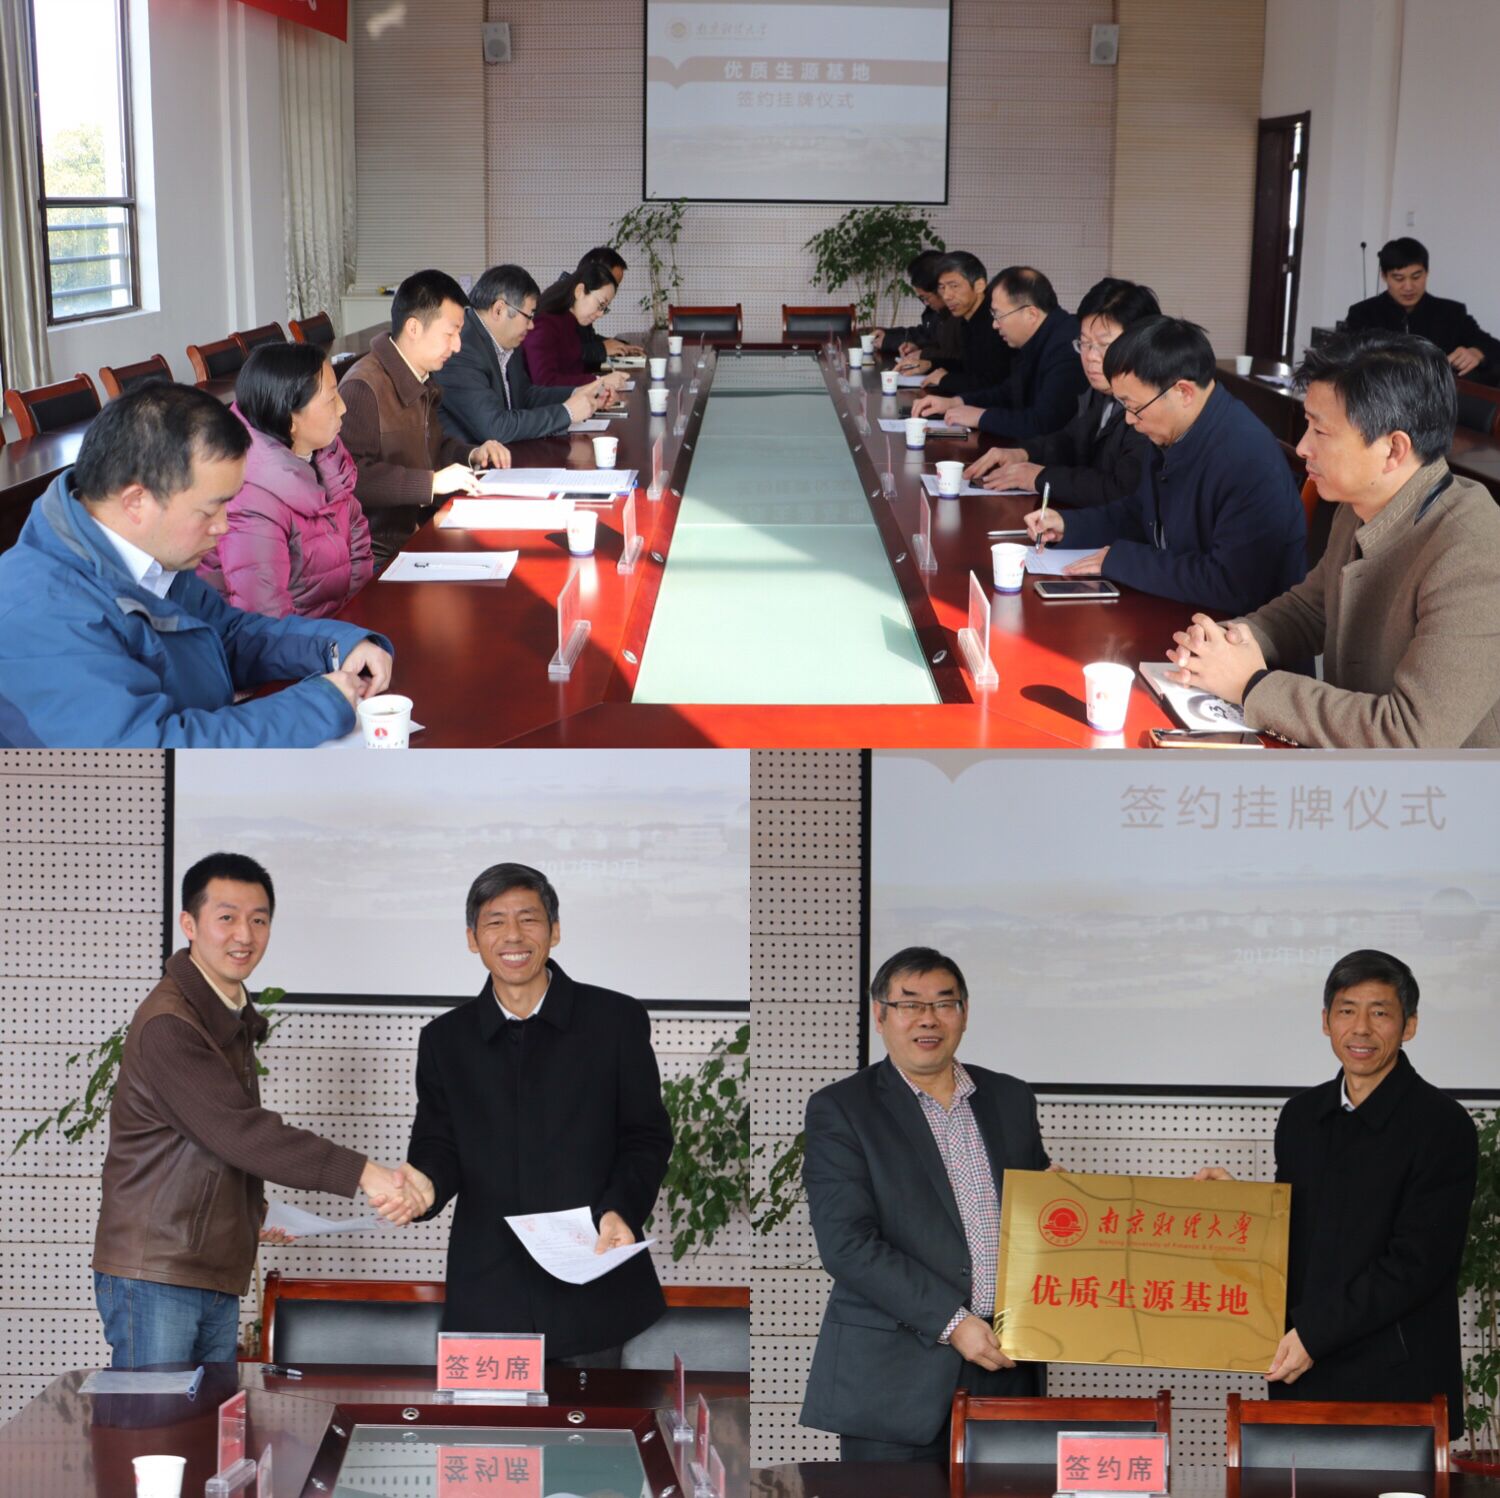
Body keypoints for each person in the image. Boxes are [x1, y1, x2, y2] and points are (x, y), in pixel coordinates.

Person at [92, 852, 433, 1368]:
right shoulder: (172, 1023)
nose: (244, 935)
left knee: (205, 1417)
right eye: (226, 917)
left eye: (258, 920)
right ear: (189, 924)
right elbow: (240, 1132)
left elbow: (206, 1143)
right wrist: (367, 1173)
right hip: (159, 1272)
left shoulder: (225, 1014)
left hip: (201, 1268)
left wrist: (251, 1211)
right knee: (157, 1418)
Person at [0, 383, 394, 748]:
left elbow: (229, 635)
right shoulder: (43, 612)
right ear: (136, 502)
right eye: (210, 510)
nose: (224, 525)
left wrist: (335, 645)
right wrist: (316, 705)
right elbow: (149, 757)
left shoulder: (148, 553)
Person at [1167, 330, 1500, 746]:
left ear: (1393, 450)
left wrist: (1251, 686)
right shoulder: (1361, 501)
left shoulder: (1476, 552)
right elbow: (1310, 608)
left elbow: (1411, 734)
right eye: (1307, 424)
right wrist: (1231, 640)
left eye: (1321, 432)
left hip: (1447, 782)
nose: (1302, 447)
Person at [1195, 950, 1476, 1437]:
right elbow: (1303, 1227)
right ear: (1326, 1022)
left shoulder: (1442, 1125)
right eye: (1347, 1010)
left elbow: (1416, 1264)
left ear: (1409, 1026)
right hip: (1303, 1371)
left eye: (1380, 1012)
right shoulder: (1301, 1116)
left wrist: (1314, 1335)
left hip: (1396, 1382)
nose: (1361, 1028)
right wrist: (1243, 1208)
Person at [406, 863, 673, 1364]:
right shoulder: (445, 1040)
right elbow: (438, 1145)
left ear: (554, 931)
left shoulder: (614, 1021)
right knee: (492, 1419)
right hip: (488, 1286)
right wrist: (424, 1187)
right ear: (472, 939)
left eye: (528, 919)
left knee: (594, 1414)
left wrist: (620, 1209)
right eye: (495, 921)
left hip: (592, 1281)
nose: (513, 935)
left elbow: (646, 1136)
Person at [800, 947, 1049, 1462]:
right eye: (910, 1004)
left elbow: (1037, 1216)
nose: (928, 1019)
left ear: (964, 1012)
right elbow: (847, 1245)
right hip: (894, 1378)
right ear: (880, 1015)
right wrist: (953, 1322)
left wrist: (1067, 1202)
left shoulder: (1010, 1098)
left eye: (944, 1003)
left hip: (1006, 1364)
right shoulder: (842, 1109)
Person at [1024, 316, 1307, 615]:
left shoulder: (1248, 458)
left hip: (1236, 630)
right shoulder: (1174, 428)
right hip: (1181, 608)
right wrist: (1071, 526)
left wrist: (1121, 560)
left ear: (1183, 392)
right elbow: (1143, 513)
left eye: (1134, 407)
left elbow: (1231, 584)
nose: (1129, 419)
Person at [339, 268, 512, 566]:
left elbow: (432, 446)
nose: (457, 346)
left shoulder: (419, 375)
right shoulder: (363, 387)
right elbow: (351, 479)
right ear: (414, 328)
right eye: (450, 333)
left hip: (422, 531)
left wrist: (472, 454)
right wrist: (430, 484)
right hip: (380, 553)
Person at [197, 342, 372, 618]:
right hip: (294, 640)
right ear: (290, 419)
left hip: (339, 627)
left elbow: (358, 538)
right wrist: (341, 636)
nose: (343, 408)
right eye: (331, 399)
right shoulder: (249, 497)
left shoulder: (326, 456)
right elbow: (266, 617)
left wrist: (357, 616)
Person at [964, 277, 1159, 502]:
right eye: (1084, 343)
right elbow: (1071, 439)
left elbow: (1122, 489)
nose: (1091, 357)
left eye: (1104, 345)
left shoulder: (1151, 406)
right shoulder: (1101, 389)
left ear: (1141, 343)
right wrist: (1023, 453)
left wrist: (1039, 477)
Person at [435, 263, 609, 447]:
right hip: (472, 461)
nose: (532, 325)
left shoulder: (507, 338)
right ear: (499, 310)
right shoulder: (461, 349)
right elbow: (495, 428)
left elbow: (524, 396)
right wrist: (567, 412)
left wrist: (575, 393)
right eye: (529, 316)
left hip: (511, 453)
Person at [913, 266, 1087, 439]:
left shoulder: (1068, 349)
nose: (995, 325)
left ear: (1031, 314)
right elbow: (1009, 392)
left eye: (998, 315)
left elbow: (1044, 423)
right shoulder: (1039, 337)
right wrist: (956, 402)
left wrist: (981, 417)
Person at [1345, 237, 1500, 383]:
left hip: (1437, 398)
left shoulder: (1451, 313)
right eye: (1399, 278)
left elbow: (1492, 346)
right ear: (1384, 276)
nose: (1408, 287)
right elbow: (1345, 360)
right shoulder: (1362, 314)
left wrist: (1476, 353)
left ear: (1427, 273)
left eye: (1416, 277)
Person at [906, 252, 1013, 395]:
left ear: (979, 285)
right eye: (942, 288)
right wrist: (931, 364)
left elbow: (992, 383)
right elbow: (967, 366)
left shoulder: (995, 321)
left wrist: (945, 380)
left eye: (954, 286)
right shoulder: (967, 317)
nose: (946, 296)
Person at [522, 261, 633, 392]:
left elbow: (574, 370)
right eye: (601, 305)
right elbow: (545, 383)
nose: (601, 314)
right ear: (579, 291)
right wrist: (600, 382)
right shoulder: (544, 325)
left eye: (605, 308)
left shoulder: (572, 322)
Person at [873, 249, 962, 368]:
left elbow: (958, 356)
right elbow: (928, 337)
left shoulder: (961, 313)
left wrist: (924, 353)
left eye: (926, 297)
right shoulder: (940, 312)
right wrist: (890, 336)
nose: (926, 303)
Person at [577, 246, 645, 366]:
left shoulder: (581, 303)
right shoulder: (557, 307)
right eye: (612, 283)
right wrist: (602, 349)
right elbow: (564, 354)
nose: (613, 291)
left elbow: (588, 339)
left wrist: (619, 345)